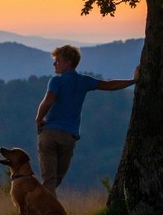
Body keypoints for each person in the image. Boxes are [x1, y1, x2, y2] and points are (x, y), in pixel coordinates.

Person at [35, 44, 139, 194]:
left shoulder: (56, 81)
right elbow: (111, 85)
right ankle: (48, 213)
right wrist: (133, 81)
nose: (54, 64)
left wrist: (38, 119)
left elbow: (48, 101)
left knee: (50, 181)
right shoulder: (84, 81)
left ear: (68, 62)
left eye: (57, 60)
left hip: (49, 133)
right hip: (68, 137)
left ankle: (43, 212)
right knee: (55, 180)